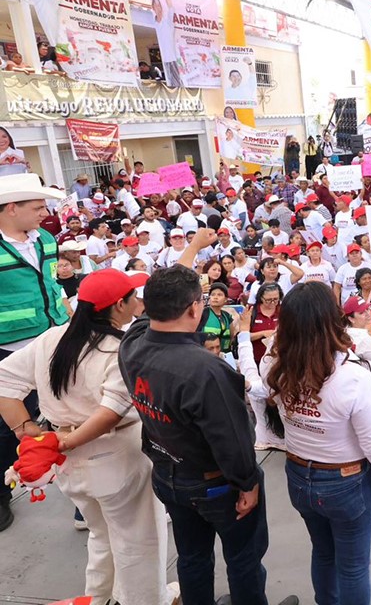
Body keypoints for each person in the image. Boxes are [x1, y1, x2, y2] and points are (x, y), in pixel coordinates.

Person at [119, 236, 298, 605]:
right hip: (216, 486)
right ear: (193, 310)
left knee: (192, 556)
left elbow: (149, 310)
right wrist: (247, 483)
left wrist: (190, 252)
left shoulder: (132, 344)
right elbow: (233, 439)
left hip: (168, 475)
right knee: (244, 558)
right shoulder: (207, 371)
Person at [0, 269, 179, 605]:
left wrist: (28, 432)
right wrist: (53, 442)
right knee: (138, 542)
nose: (137, 301)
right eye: (132, 296)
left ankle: (100, 598)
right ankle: (144, 601)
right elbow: (110, 412)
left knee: (102, 534)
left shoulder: (53, 337)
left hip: (70, 463)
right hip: (114, 457)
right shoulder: (119, 349)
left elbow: (4, 381)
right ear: (118, 305)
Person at [264, 283, 371, 605]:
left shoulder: (278, 366)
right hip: (345, 482)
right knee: (353, 566)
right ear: (333, 319)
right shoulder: (351, 375)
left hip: (299, 478)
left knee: (324, 553)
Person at [0, 173, 68, 531]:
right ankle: (0, 492)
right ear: (12, 209)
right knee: (4, 425)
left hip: (51, 339)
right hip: (7, 346)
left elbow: (52, 283)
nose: (45, 213)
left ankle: (80, 499)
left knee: (66, 414)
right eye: (37, 207)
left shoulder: (45, 239)